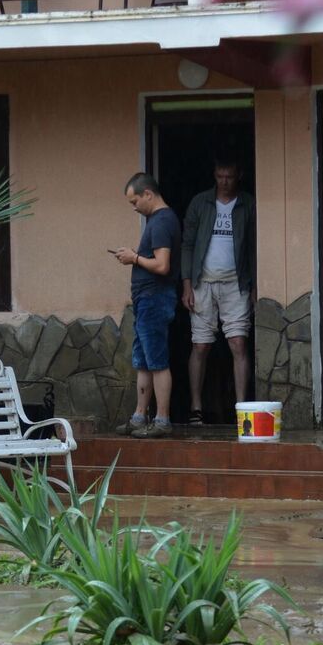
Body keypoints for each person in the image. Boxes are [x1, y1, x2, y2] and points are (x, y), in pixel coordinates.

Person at [179, 158, 257, 425]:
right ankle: (196, 407)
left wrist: (255, 284)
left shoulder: (248, 204)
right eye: (220, 176)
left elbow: (255, 246)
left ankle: (242, 407)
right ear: (214, 175)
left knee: (238, 342)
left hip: (236, 282)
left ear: (239, 175)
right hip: (203, 282)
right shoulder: (200, 202)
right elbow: (187, 244)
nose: (224, 181)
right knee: (200, 344)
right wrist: (187, 284)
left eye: (229, 176)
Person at [112, 173, 180, 438]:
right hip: (146, 299)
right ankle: (139, 416)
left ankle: (162, 419)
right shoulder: (157, 221)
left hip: (155, 298)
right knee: (143, 360)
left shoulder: (162, 221)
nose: (134, 207)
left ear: (148, 194)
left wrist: (134, 258)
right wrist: (135, 256)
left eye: (135, 201)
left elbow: (162, 265)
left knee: (156, 359)